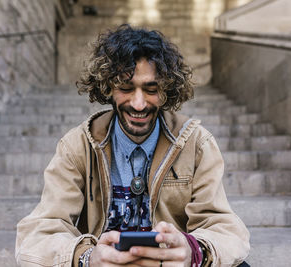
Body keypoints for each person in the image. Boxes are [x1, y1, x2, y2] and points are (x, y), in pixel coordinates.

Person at [15, 24, 250, 267]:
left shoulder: (197, 144)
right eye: (126, 88)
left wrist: (194, 252)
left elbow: (227, 230)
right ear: (108, 88)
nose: (138, 104)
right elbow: (36, 236)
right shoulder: (77, 146)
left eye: (151, 89)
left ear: (166, 90)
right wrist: (86, 257)